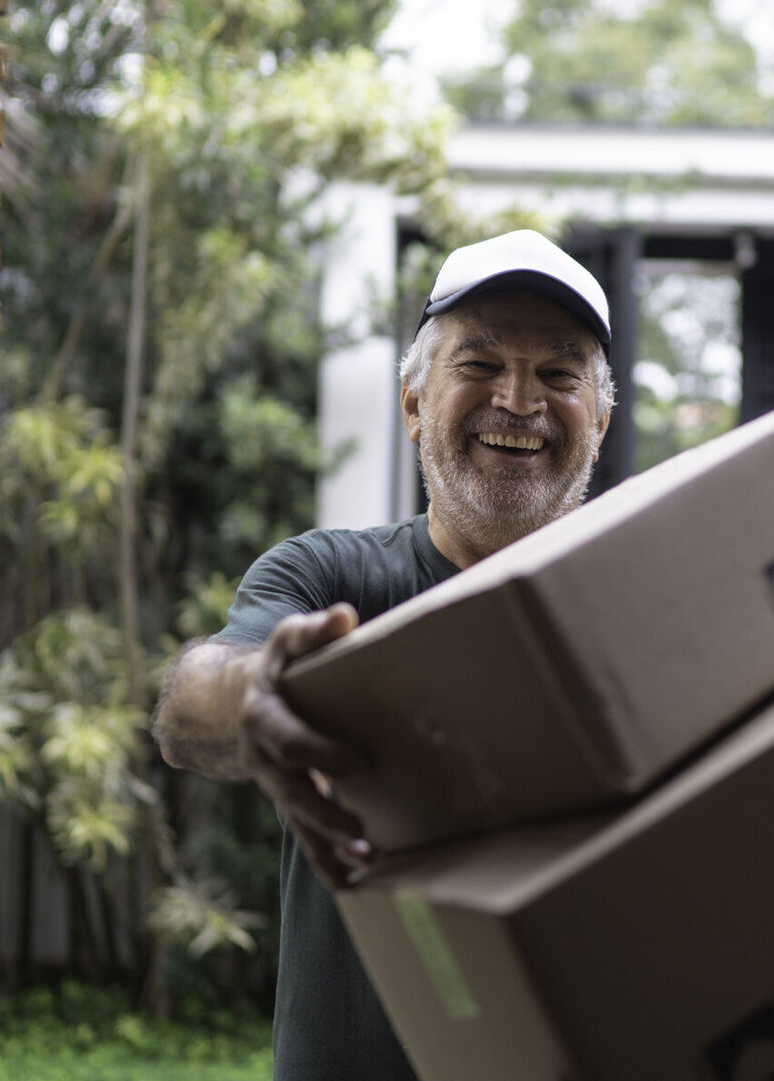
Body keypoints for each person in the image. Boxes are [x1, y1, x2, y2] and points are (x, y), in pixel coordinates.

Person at [152, 229, 616, 1081]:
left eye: (559, 373)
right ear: (412, 402)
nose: (519, 400)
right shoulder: (331, 578)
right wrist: (260, 691)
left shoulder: (640, 602)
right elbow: (195, 705)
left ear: (601, 421)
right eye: (478, 365)